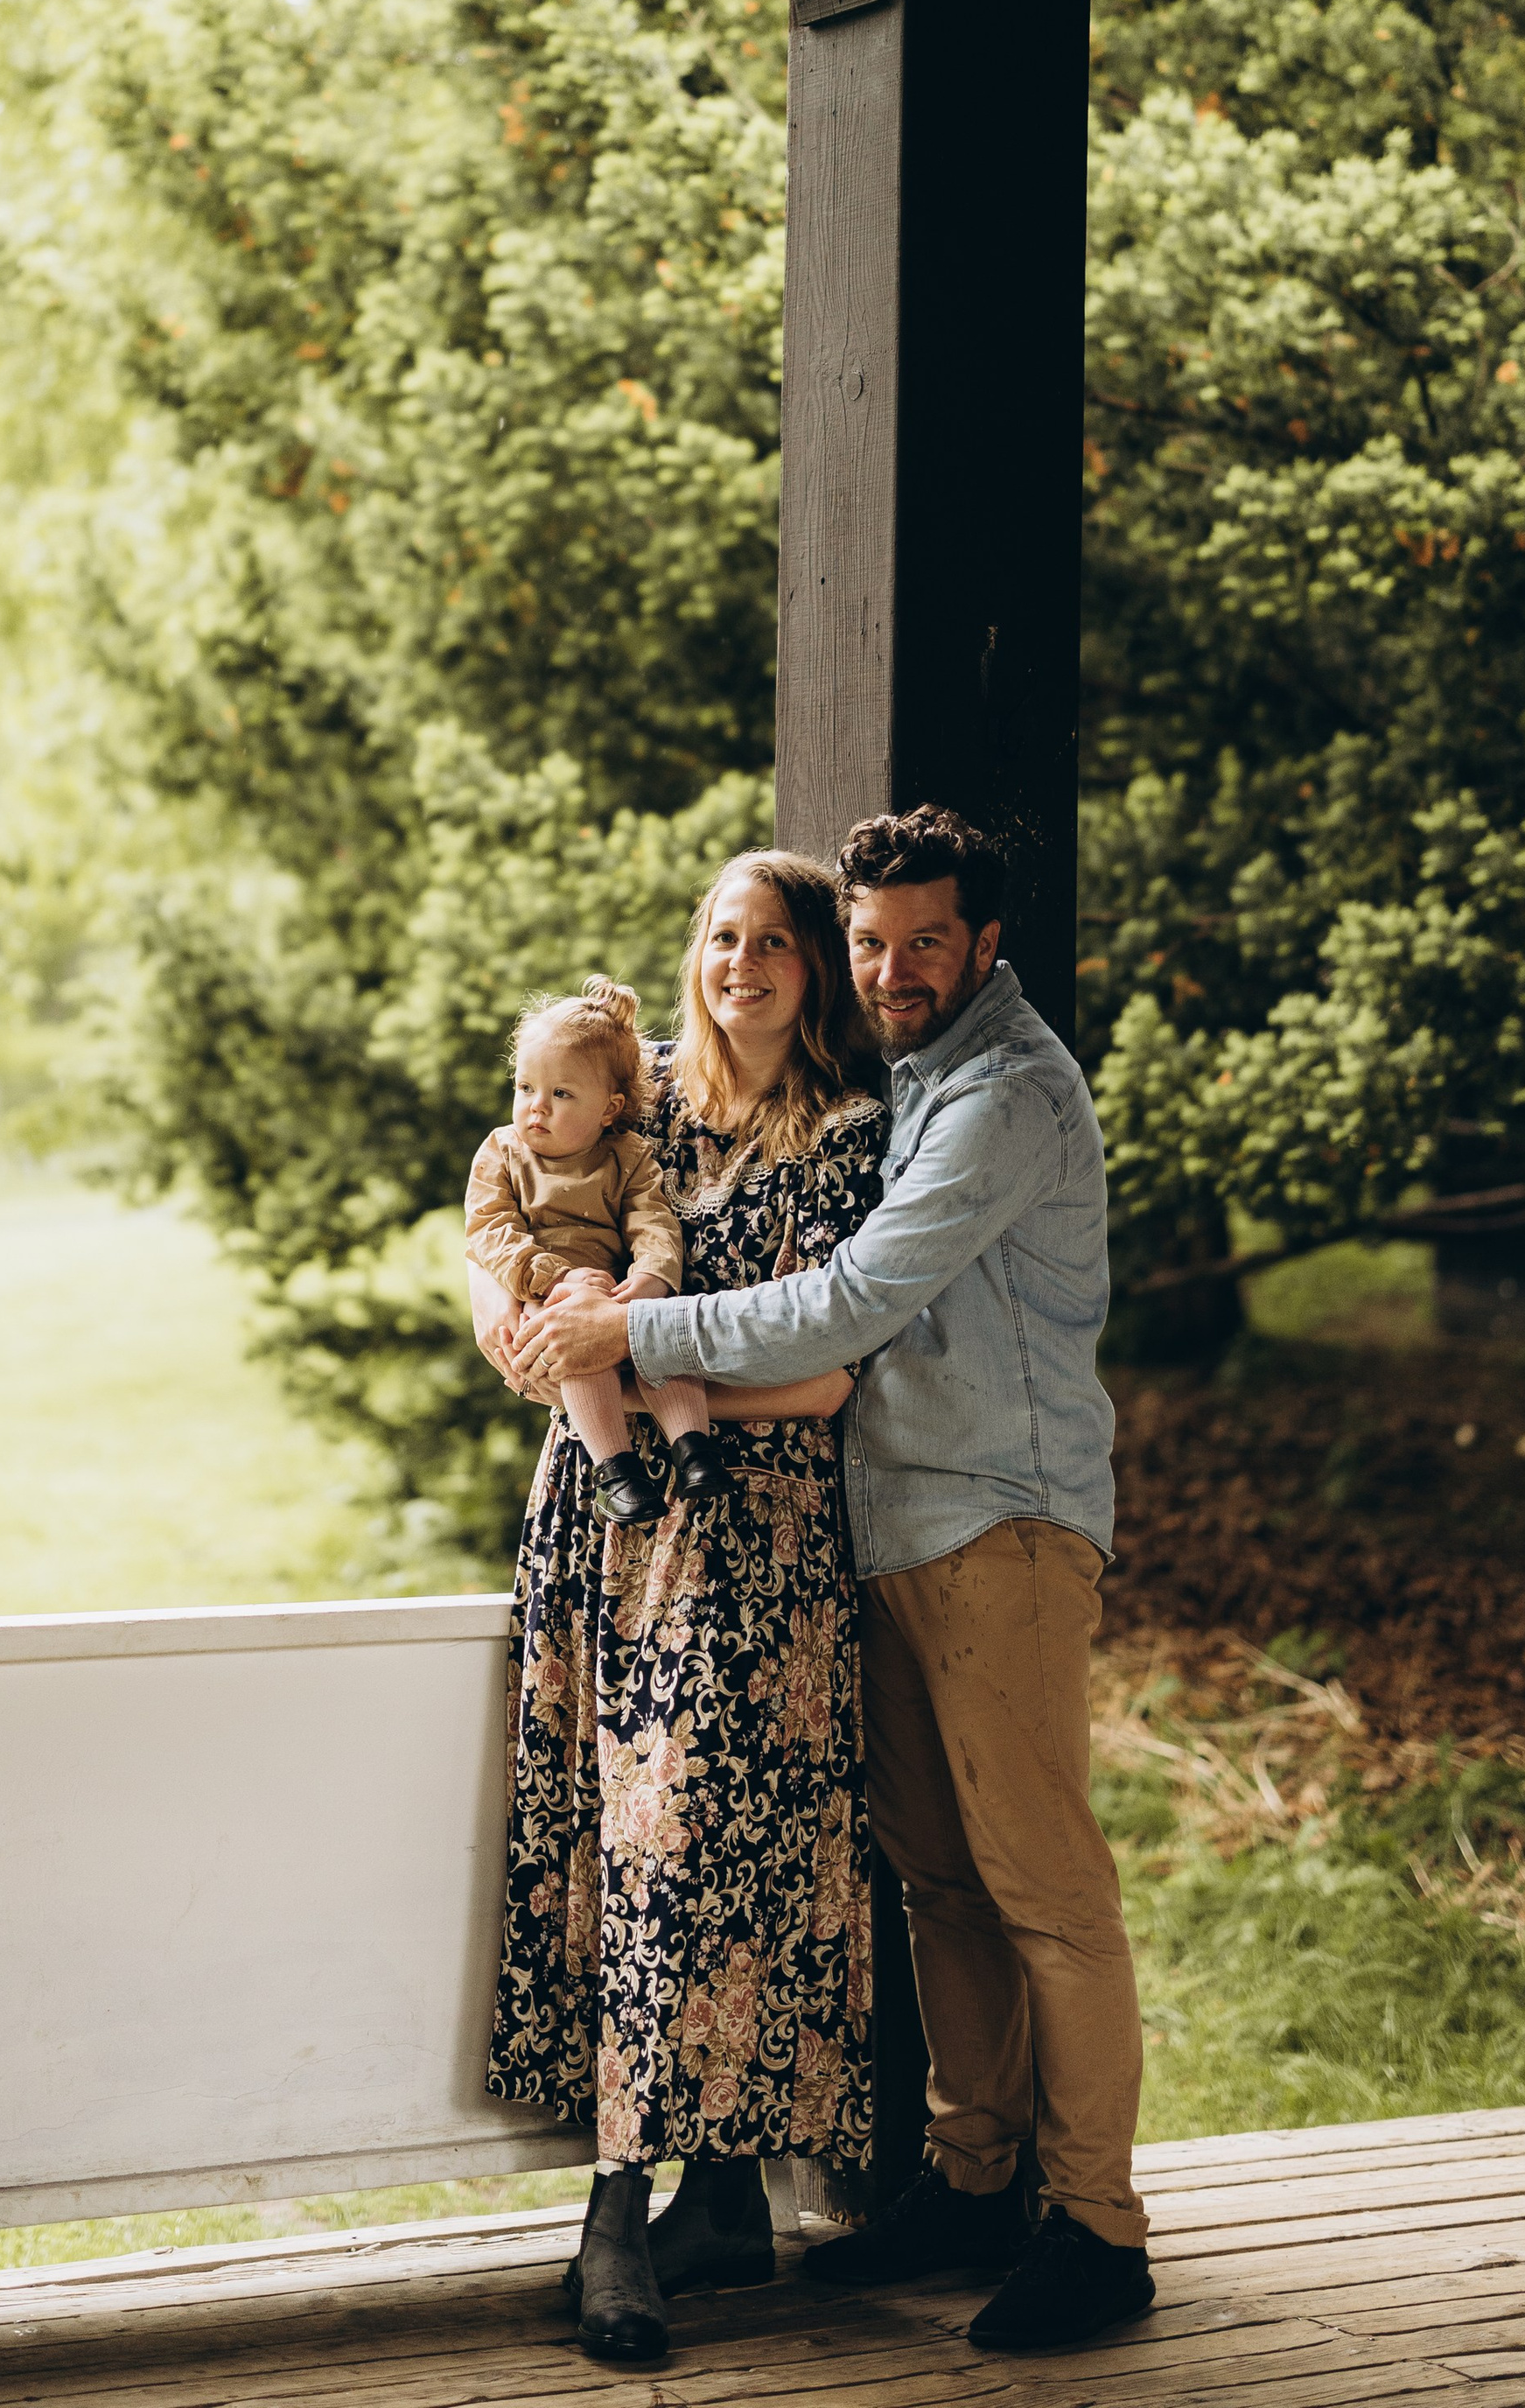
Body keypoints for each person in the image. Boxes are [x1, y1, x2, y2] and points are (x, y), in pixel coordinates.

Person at [513, 802, 1154, 2356]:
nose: (892, 967)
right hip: (888, 1529)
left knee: (1042, 1892)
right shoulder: (906, 1072)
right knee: (939, 1880)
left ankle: (1097, 2232)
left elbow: (850, 1306)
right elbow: (550, 1165)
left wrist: (626, 1343)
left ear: (984, 943)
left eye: (921, 940)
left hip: (999, 1524)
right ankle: (972, 2176)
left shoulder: (996, 1094)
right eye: (871, 941)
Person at [475, 850, 888, 2370]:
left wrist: (636, 1361)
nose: (746, 962)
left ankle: (664, 2202)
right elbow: (497, 1216)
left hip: (759, 1526)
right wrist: (508, 1313)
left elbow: (832, 1372)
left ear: (813, 970)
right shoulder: (632, 1088)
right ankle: (661, 2196)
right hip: (607, 1515)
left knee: (711, 1849)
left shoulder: (846, 1138)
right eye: (724, 935)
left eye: (776, 941)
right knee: (614, 1843)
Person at [464, 977, 722, 1525]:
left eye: (561, 1094)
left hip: (612, 1289)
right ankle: (616, 1470)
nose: (536, 1108)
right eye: (525, 1087)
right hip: (542, 1293)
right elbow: (490, 1230)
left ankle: (693, 1448)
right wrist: (553, 1278)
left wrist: (653, 1277)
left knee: (659, 1334)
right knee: (574, 1348)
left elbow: (653, 1221)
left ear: (610, 1109)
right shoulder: (502, 1154)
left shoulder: (627, 1156)